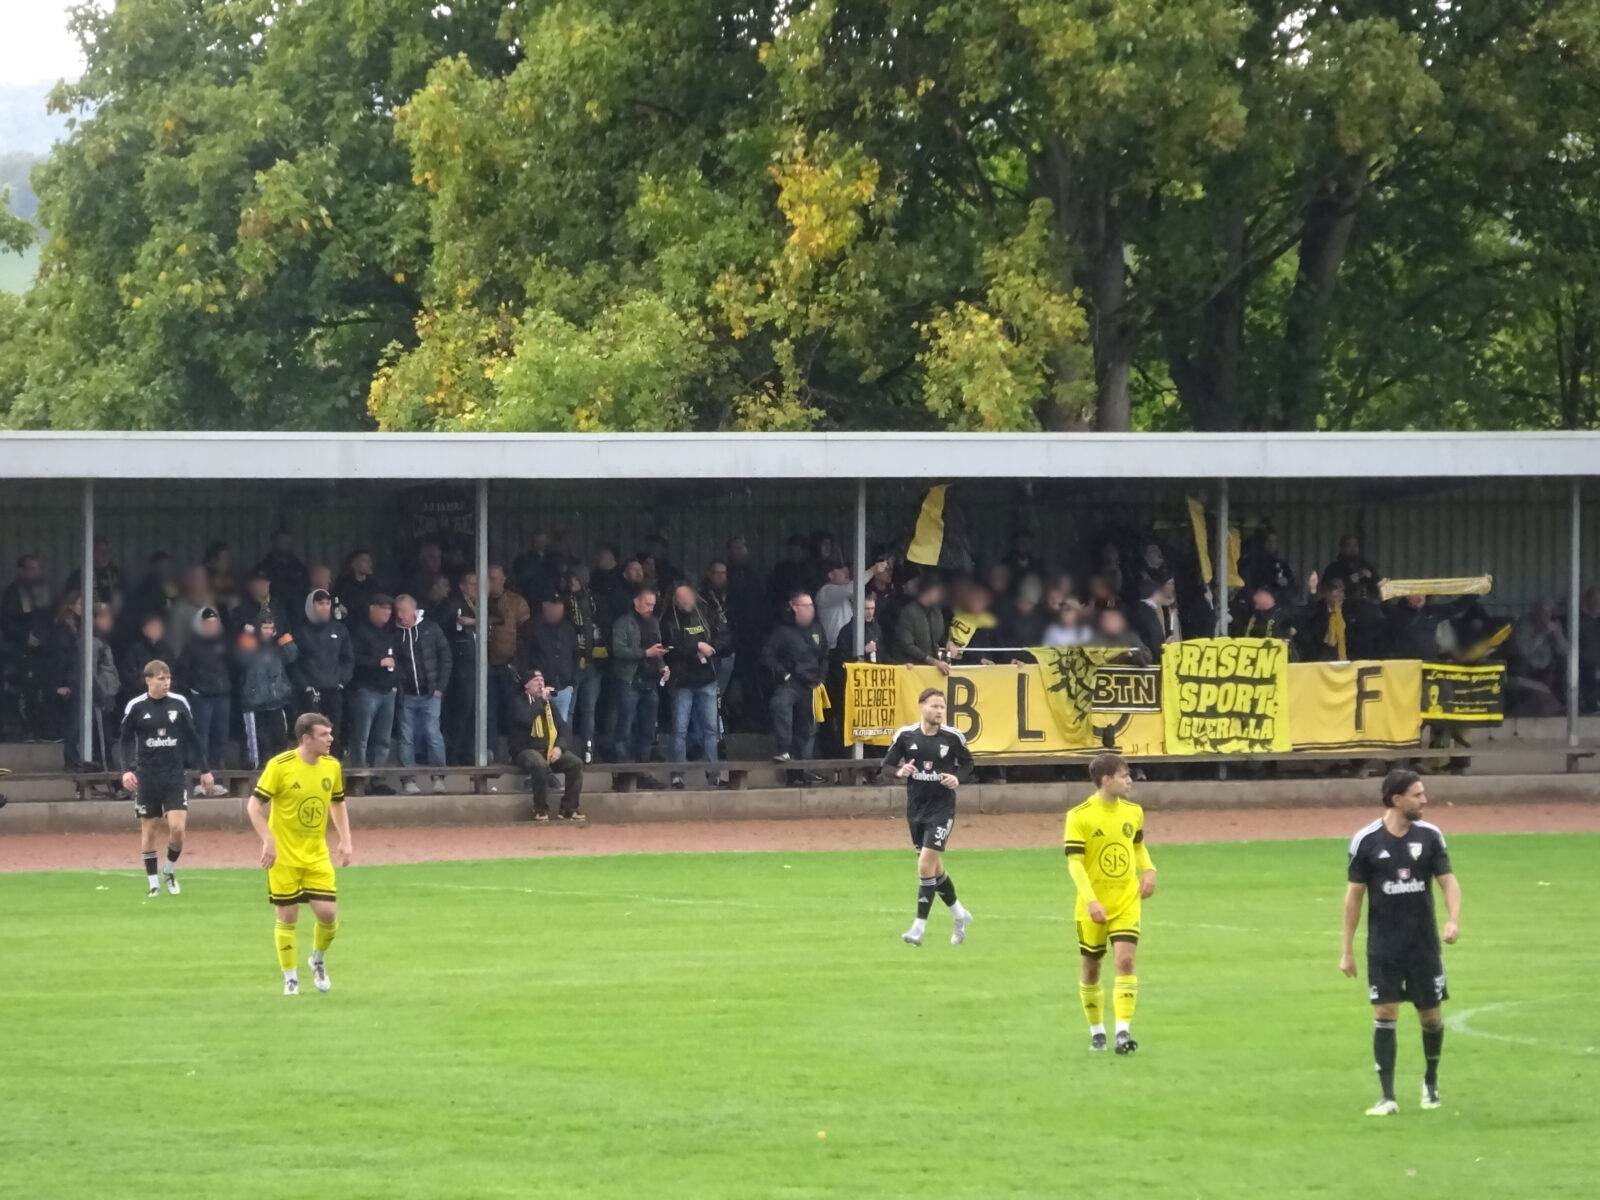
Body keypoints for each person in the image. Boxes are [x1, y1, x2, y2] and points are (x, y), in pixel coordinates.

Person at [1341, 770, 1461, 1116]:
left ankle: (1431, 1082)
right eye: (1417, 795)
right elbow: (1353, 898)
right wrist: (1347, 951)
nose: (1425, 800)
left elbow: (1448, 882)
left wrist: (1452, 919)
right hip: (1384, 945)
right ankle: (1387, 1096)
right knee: (1384, 1012)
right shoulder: (1366, 841)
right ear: (1397, 800)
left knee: (1431, 1018)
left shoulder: (1430, 836)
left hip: (1423, 946)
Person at [247, 712, 352, 995]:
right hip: (284, 856)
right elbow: (253, 806)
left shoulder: (332, 767)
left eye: (330, 734)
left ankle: (317, 960)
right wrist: (268, 840)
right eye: (324, 735)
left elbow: (338, 803)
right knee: (288, 916)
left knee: (328, 914)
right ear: (306, 739)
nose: (330, 739)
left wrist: (345, 839)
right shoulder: (280, 766)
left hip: (316, 854)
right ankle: (290, 978)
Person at [1064, 753, 1158, 1054]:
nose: (1130, 780)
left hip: (1126, 900)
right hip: (1093, 906)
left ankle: (1123, 1032)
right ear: (1106, 780)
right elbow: (1075, 864)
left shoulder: (1133, 812)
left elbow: (1138, 846)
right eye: (1124, 775)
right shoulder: (1079, 816)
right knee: (1091, 967)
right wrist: (1090, 901)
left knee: (1126, 961)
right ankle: (1097, 1031)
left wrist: (1150, 870)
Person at [881, 689, 974, 947]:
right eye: (934, 706)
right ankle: (959, 915)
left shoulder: (953, 737)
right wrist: (900, 771)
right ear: (921, 707)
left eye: (942, 706)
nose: (939, 711)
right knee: (934, 867)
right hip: (916, 809)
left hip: (942, 810)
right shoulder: (906, 735)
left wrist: (958, 777)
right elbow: (886, 766)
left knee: (924, 865)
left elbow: (968, 764)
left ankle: (918, 928)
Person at [119, 660, 214, 898]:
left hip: (174, 776)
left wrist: (205, 769)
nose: (166, 682)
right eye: (161, 678)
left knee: (178, 829)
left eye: (168, 678)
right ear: (148, 680)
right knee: (150, 830)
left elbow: (193, 738)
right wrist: (126, 770)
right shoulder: (136, 706)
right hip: (147, 778)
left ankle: (169, 870)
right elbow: (124, 740)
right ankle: (153, 883)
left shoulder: (179, 703)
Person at [661, 582, 731, 789]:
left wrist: (712, 648)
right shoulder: (669, 619)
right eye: (680, 600)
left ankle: (714, 775)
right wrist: (696, 647)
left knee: (711, 730)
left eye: (687, 599)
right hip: (682, 681)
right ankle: (677, 774)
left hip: (707, 678)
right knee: (679, 730)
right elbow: (670, 647)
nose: (684, 603)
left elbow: (725, 636)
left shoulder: (706, 613)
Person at [761, 591, 829, 786]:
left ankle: (802, 771)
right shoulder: (782, 630)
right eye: (806, 606)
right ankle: (785, 752)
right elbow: (767, 655)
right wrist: (783, 674)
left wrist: (822, 677)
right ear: (795, 607)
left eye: (811, 606)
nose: (811, 610)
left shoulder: (817, 628)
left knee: (807, 729)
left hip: (812, 685)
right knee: (780, 706)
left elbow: (824, 655)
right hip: (791, 683)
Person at [609, 583, 669, 787]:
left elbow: (658, 649)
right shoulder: (622, 623)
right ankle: (621, 774)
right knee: (625, 727)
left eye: (653, 604)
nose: (650, 608)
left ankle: (642, 772)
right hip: (629, 679)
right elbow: (618, 651)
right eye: (646, 604)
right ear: (636, 602)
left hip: (651, 680)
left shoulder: (653, 622)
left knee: (647, 729)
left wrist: (663, 667)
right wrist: (645, 653)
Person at [507, 671, 586, 823]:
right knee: (539, 764)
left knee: (575, 763)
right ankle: (540, 809)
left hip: (549, 749)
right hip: (525, 749)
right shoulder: (518, 702)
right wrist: (541, 701)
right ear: (527, 685)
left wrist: (559, 747)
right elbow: (526, 719)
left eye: (542, 680)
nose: (540, 683)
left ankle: (569, 808)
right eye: (536, 680)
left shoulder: (549, 705)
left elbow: (563, 729)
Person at [392, 594, 451, 795]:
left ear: (413, 609)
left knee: (432, 734)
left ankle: (438, 778)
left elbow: (446, 658)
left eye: (403, 611)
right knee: (406, 737)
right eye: (397, 611)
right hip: (406, 695)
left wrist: (440, 687)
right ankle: (408, 780)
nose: (400, 616)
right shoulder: (395, 633)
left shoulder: (431, 629)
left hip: (431, 693)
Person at [175, 607, 233, 791]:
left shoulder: (225, 644)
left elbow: (235, 665)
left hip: (222, 696)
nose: (212, 627)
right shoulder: (191, 646)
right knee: (201, 737)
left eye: (215, 623)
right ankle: (200, 778)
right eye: (208, 624)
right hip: (202, 698)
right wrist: (192, 691)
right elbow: (182, 672)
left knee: (221, 736)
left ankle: (218, 779)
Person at [347, 594, 399, 795]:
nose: (387, 612)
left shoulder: (388, 633)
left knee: (383, 740)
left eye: (389, 609)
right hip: (366, 690)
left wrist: (396, 679)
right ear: (372, 608)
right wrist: (378, 662)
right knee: (361, 737)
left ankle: (378, 780)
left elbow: (397, 658)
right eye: (383, 608)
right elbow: (355, 659)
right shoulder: (359, 632)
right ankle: (360, 779)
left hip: (388, 691)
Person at [291, 588, 353, 751]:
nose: (325, 607)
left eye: (327, 603)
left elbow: (348, 658)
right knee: (312, 736)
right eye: (320, 603)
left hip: (333, 691)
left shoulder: (339, 630)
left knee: (334, 735)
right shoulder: (299, 631)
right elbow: (293, 663)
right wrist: (305, 686)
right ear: (311, 606)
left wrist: (342, 681)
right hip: (310, 693)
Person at [235, 616, 299, 768]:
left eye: (271, 628)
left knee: (280, 740)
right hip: (254, 702)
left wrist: (284, 637)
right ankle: (255, 774)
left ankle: (282, 770)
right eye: (265, 628)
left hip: (276, 701)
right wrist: (247, 636)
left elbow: (293, 656)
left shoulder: (278, 645)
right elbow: (240, 660)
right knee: (257, 743)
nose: (268, 631)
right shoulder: (249, 642)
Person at [892, 575, 950, 673]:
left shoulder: (937, 612)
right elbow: (907, 645)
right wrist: (932, 661)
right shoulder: (908, 612)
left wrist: (949, 642)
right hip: (913, 669)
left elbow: (940, 636)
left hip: (933, 668)